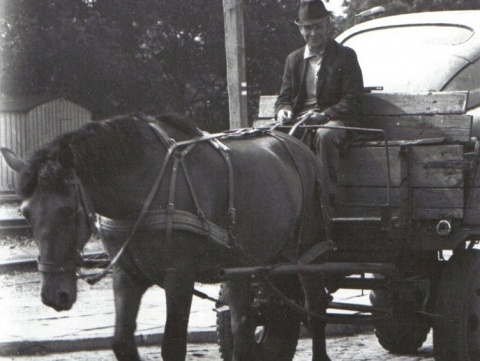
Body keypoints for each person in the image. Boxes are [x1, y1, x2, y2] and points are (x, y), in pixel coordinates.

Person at [275, 0, 364, 219]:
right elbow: (284, 98)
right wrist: (283, 111)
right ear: (300, 29)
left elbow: (353, 100)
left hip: (336, 120)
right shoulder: (293, 60)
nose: (313, 33)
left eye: (318, 26)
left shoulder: (345, 56)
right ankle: (284, 201)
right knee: (271, 138)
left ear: (327, 24)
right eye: (308, 28)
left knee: (325, 136)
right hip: (302, 121)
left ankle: (326, 201)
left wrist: (324, 115)